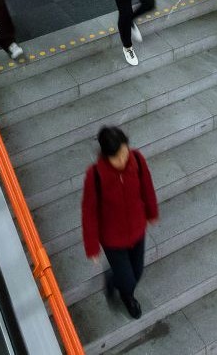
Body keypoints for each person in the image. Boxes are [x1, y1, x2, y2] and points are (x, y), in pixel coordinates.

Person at [82, 126, 159, 319]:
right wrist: (92, 246)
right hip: (112, 240)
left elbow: (147, 188)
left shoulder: (137, 160)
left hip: (137, 230)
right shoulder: (95, 176)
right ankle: (126, 295)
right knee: (127, 281)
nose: (123, 160)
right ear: (106, 157)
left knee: (137, 271)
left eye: (124, 153)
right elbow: (89, 212)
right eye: (117, 158)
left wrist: (151, 212)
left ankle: (115, 279)